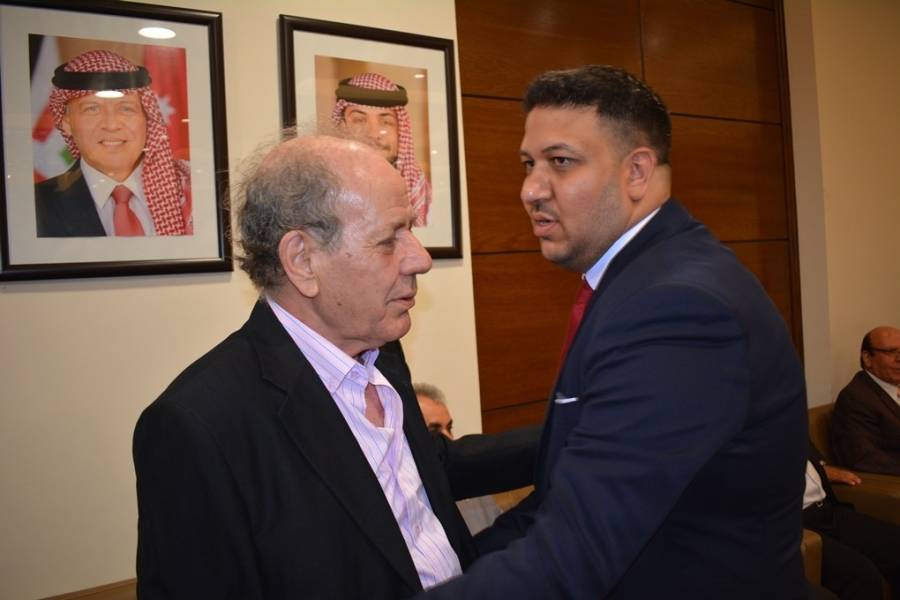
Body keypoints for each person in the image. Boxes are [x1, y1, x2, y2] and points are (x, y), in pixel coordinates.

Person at [418, 65, 809, 598]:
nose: (530, 190)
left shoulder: (678, 307)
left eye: (560, 162)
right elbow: (557, 503)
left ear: (637, 172)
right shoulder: (641, 279)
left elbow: (577, 550)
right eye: (529, 164)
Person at [134, 135, 467, 599]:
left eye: (410, 230)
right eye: (389, 239)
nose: (421, 258)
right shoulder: (200, 426)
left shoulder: (383, 353)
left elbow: (421, 482)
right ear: (303, 260)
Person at [35, 49, 191, 237]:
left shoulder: (190, 191)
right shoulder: (36, 205)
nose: (111, 125)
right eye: (92, 109)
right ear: (66, 123)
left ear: (147, 118)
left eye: (126, 109)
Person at [331, 72, 431, 226]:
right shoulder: (326, 183)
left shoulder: (418, 188)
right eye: (359, 120)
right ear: (342, 126)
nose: (373, 133)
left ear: (400, 131)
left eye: (386, 122)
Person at [805, 443, 900, 599]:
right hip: (796, 523)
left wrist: (820, 468)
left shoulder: (790, 429)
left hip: (826, 509)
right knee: (862, 577)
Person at [831, 326, 900, 475]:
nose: (899, 358)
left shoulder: (892, 387)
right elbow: (864, 458)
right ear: (868, 358)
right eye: (890, 352)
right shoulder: (855, 399)